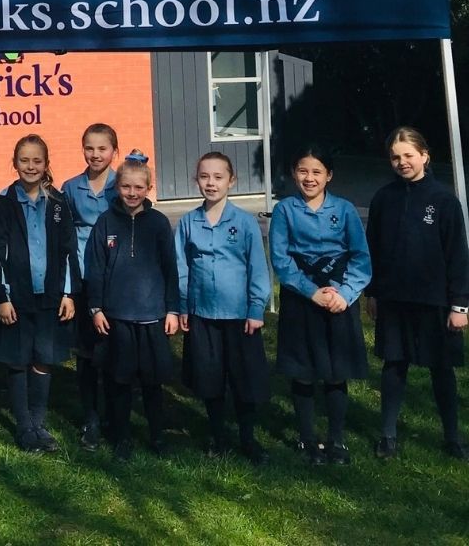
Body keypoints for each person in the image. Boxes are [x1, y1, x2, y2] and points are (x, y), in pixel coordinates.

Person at [366, 126, 469, 460]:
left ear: (424, 155)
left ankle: (452, 438)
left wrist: (460, 305)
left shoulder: (443, 201)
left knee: (442, 369)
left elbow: (458, 256)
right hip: (394, 300)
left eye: (408, 155)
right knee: (394, 366)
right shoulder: (384, 198)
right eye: (395, 157)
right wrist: (373, 293)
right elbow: (374, 251)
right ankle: (388, 435)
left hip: (436, 302)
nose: (402, 162)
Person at [269, 145, 370, 465]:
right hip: (302, 299)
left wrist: (344, 293)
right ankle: (307, 438)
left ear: (329, 175)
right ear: (293, 173)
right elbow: (281, 260)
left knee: (335, 371)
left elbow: (361, 258)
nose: (309, 178)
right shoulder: (285, 210)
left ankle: (337, 440)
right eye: (302, 171)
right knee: (303, 370)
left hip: (338, 298)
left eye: (316, 172)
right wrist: (310, 291)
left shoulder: (345, 210)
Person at [176, 151, 272, 465]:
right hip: (202, 314)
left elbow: (258, 266)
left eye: (218, 177)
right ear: (196, 180)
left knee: (244, 379)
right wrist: (183, 306)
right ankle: (218, 436)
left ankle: (247, 437)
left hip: (240, 316)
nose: (211, 183)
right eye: (204, 177)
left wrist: (257, 307)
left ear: (232, 181)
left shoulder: (244, 222)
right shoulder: (189, 222)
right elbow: (182, 267)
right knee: (209, 378)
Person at [0, 135, 78, 453]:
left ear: (46, 164)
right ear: (14, 163)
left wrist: (68, 293)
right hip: (16, 297)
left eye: (37, 160)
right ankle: (24, 426)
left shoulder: (58, 203)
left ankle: (39, 423)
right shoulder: (2, 204)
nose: (30, 166)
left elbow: (68, 250)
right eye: (24, 160)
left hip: (50, 296)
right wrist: (1, 297)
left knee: (44, 357)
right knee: (17, 358)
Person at [85, 152, 178, 459]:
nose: (132, 193)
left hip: (152, 316)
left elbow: (170, 269)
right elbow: (95, 268)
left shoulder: (159, 224)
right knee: (119, 380)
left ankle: (157, 435)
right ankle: (121, 436)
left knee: (152, 383)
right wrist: (96, 308)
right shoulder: (105, 222)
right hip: (117, 317)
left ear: (149, 188)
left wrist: (173, 310)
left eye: (139, 187)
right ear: (117, 187)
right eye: (126, 186)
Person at [60, 123, 118, 449]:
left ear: (114, 151)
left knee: (112, 352)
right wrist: (68, 289)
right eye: (89, 148)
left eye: (102, 148)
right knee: (86, 354)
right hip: (83, 281)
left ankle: (114, 415)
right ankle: (91, 418)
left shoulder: (121, 186)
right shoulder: (70, 188)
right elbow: (66, 242)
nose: (95, 155)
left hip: (114, 282)